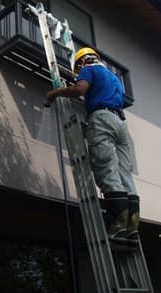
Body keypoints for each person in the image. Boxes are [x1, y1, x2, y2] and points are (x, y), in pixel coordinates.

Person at [44, 47, 140, 242]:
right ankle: (132, 226)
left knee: (106, 168)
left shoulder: (89, 69)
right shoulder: (113, 78)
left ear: (82, 62)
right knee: (124, 174)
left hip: (102, 118)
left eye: (78, 69)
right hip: (120, 124)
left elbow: (80, 89)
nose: (78, 72)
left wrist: (54, 93)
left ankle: (118, 225)